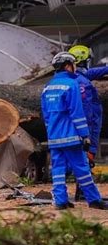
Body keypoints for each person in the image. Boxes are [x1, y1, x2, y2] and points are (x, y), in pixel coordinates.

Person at [41, 52, 106, 210]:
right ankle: (94, 200)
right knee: (82, 168)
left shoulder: (47, 87)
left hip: (54, 137)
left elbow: (46, 115)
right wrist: (85, 136)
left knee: (57, 170)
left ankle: (61, 201)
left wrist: (52, 133)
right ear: (68, 66)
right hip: (70, 136)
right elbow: (77, 113)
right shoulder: (72, 85)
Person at [68, 45, 108, 164]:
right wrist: (87, 131)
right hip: (89, 123)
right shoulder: (81, 81)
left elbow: (96, 71)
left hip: (88, 122)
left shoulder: (79, 75)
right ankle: (84, 174)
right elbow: (86, 107)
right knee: (85, 154)